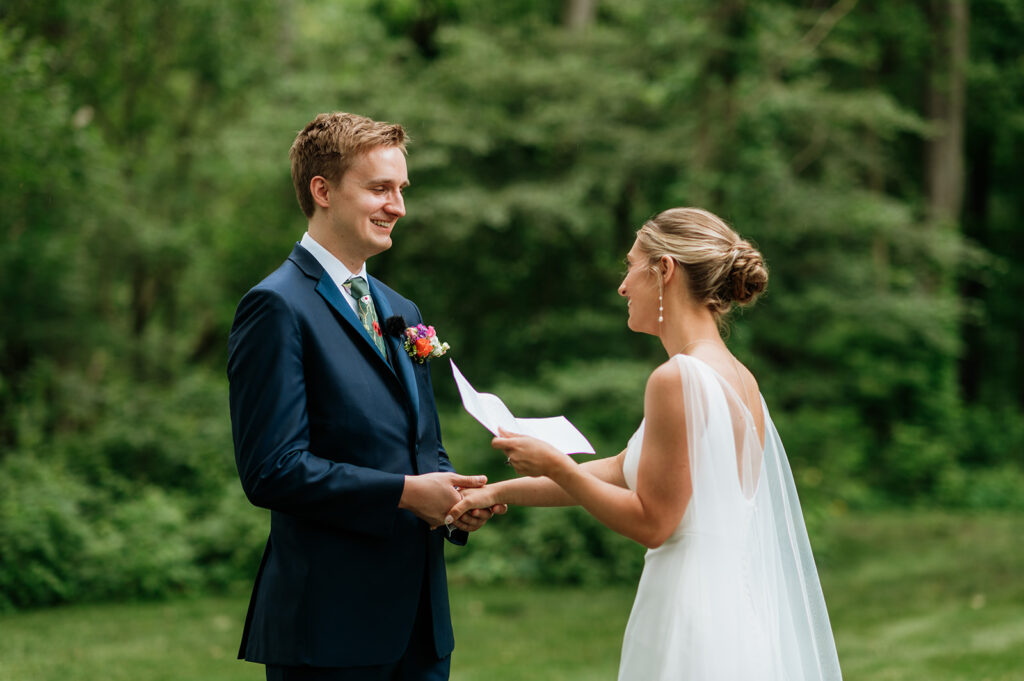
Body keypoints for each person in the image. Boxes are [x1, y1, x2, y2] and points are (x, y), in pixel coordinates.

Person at [448, 207, 843, 680]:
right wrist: (499, 491)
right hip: (734, 609)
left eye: (631, 266)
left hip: (690, 614)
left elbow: (654, 522)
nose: (622, 285)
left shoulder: (676, 378)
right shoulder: (741, 379)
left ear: (665, 270)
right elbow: (621, 469)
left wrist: (558, 466)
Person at [228, 112, 503, 681]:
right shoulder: (276, 307)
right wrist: (406, 494)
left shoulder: (402, 309)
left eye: (401, 189)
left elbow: (420, 444)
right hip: (329, 626)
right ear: (322, 191)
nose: (398, 206)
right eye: (380, 188)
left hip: (422, 628)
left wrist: (453, 501)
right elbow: (272, 471)